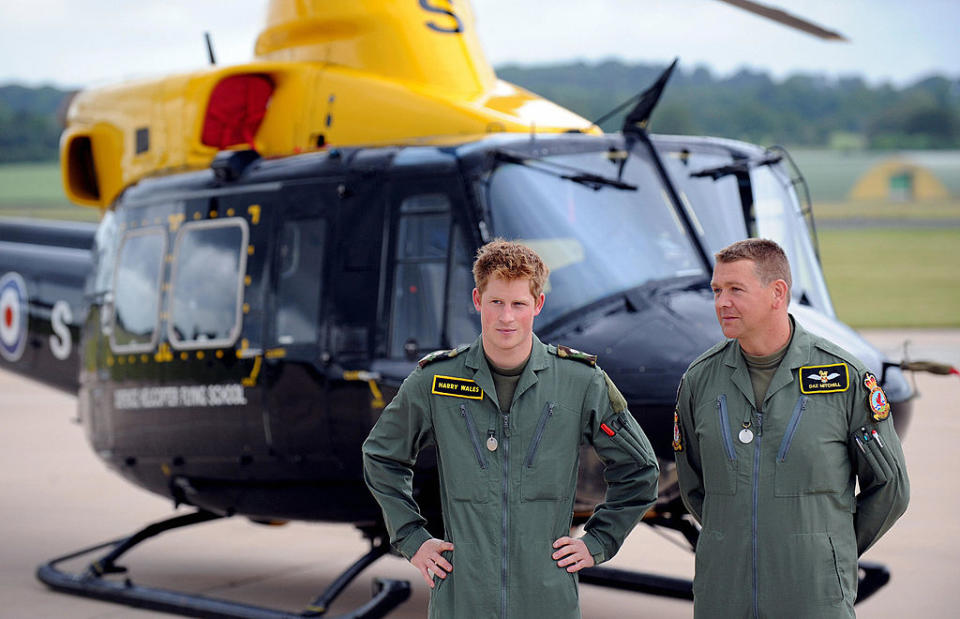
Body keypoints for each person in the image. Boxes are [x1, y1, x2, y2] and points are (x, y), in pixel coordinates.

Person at [362, 239, 659, 618]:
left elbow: (641, 469)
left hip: (547, 601)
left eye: (519, 304)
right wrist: (411, 537)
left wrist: (599, 539)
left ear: (537, 305)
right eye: (496, 302)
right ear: (476, 300)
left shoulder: (581, 382)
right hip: (461, 601)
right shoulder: (435, 381)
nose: (506, 318)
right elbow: (381, 456)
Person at [673, 238, 909, 618]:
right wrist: (737, 539)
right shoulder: (701, 380)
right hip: (723, 595)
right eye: (717, 290)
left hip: (813, 596)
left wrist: (829, 549)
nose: (721, 303)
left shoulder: (843, 378)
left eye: (736, 290)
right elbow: (694, 487)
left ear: (776, 293)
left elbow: (891, 488)